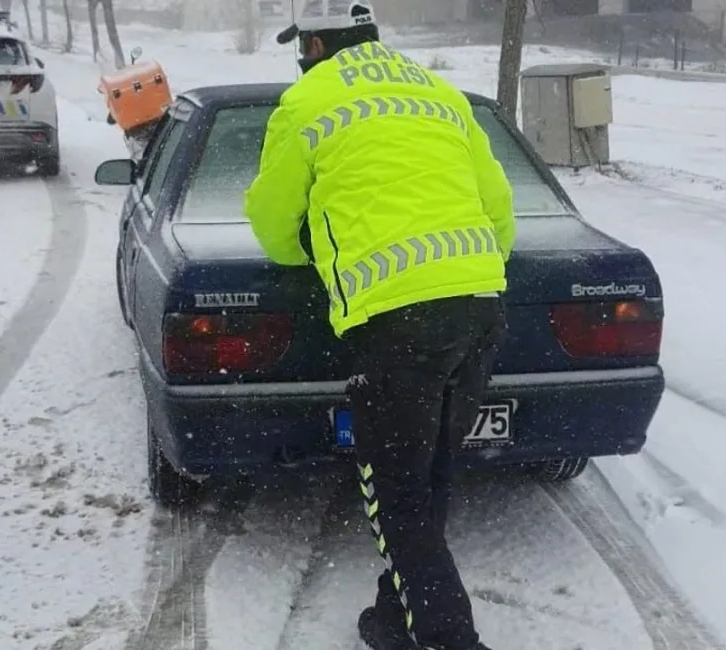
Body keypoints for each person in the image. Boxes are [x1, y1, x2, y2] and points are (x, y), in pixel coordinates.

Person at [243, 1, 516, 649]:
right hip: (479, 306)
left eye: (302, 46)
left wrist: (322, 248)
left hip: (396, 322)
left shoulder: (308, 101)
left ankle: (451, 639)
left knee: (397, 498)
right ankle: (395, 620)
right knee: (432, 478)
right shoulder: (439, 92)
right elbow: (499, 211)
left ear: (313, 45)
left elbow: (272, 225)